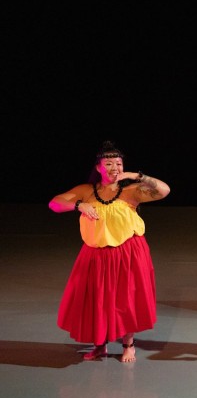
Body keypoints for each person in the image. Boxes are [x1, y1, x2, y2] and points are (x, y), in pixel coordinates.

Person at [49, 140, 170, 362]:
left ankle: (128, 345)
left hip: (128, 253)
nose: (114, 168)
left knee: (125, 300)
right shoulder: (86, 191)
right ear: (98, 168)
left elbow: (164, 190)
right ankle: (100, 345)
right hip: (95, 254)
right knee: (98, 300)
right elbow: (55, 204)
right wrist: (78, 205)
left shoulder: (132, 191)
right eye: (108, 164)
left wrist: (137, 176)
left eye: (118, 163)